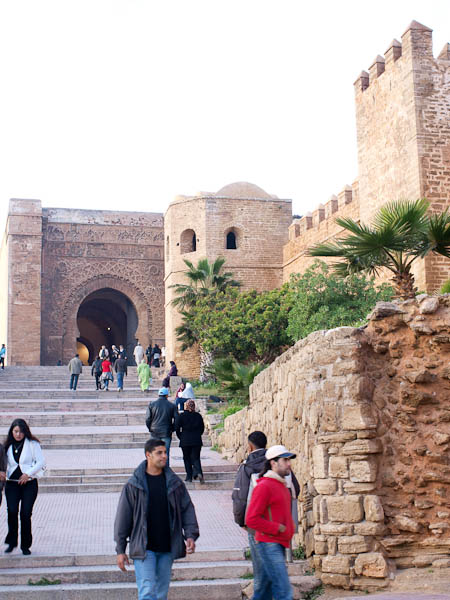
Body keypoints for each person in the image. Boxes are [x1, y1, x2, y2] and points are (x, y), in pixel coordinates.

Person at [114, 438, 199, 600]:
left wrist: (190, 534)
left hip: (167, 547)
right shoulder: (134, 485)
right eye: (159, 453)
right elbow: (122, 518)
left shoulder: (174, 483)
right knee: (147, 591)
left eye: (165, 452)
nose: (164, 456)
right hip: (144, 548)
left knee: (161, 594)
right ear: (148, 455)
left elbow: (187, 508)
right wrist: (120, 549)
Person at [245, 445, 297, 600]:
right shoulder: (265, 486)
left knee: (263, 592)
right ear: (273, 463)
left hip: (278, 543)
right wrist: (278, 528)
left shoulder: (281, 484)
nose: (289, 464)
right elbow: (251, 519)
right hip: (269, 543)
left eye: (289, 460)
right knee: (284, 591)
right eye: (285, 460)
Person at [1, 419, 45, 555]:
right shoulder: (7, 445)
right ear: (11, 432)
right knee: (12, 512)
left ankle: (25, 545)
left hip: (29, 484)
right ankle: (12, 542)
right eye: (15, 431)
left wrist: (28, 473)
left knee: (25, 514)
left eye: (21, 431)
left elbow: (40, 461)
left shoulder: (33, 444)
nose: (18, 435)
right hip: (12, 484)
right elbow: (2, 463)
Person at [175, 400, 205, 484]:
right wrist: (198, 435)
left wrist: (181, 437)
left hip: (185, 440)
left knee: (186, 458)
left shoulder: (182, 416)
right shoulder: (198, 416)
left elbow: (177, 428)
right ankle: (199, 472)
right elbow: (202, 428)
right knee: (196, 457)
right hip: (196, 440)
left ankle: (189, 477)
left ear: (185, 406)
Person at [145, 387, 175, 467]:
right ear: (167, 395)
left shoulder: (152, 404)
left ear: (158, 395)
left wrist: (150, 428)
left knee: (154, 452)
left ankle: (154, 471)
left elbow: (148, 419)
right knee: (165, 453)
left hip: (154, 432)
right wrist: (173, 428)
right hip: (166, 432)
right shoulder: (172, 405)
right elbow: (177, 419)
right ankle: (166, 473)